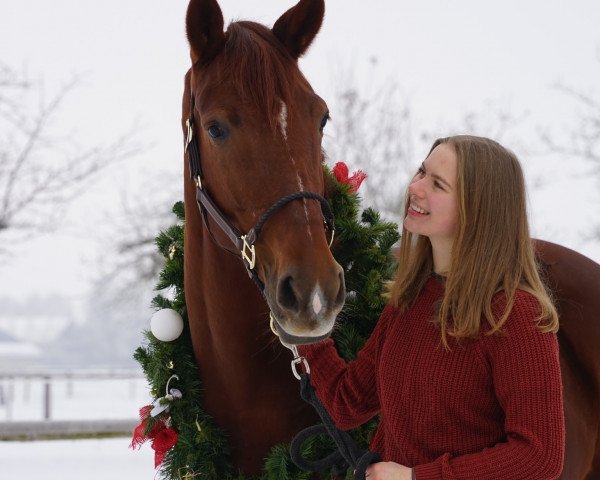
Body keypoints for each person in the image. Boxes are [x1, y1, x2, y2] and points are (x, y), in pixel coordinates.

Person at [299, 135, 565, 479]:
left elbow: (539, 456)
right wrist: (303, 329)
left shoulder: (517, 316)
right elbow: (348, 403)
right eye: (421, 172)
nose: (416, 187)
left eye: (437, 184)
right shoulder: (410, 301)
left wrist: (416, 478)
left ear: (478, 208)